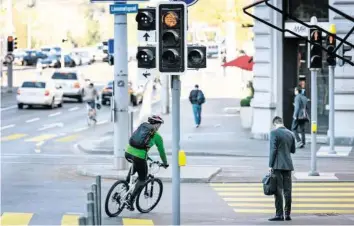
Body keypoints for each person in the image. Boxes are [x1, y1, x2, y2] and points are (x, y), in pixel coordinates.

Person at [124, 115, 169, 210]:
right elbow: (162, 151)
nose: (159, 127)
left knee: (135, 167)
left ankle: (123, 188)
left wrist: (147, 157)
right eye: (159, 125)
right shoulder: (157, 136)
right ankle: (130, 201)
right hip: (139, 157)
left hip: (128, 152)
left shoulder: (142, 128)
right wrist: (165, 163)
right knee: (142, 179)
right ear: (156, 125)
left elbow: (138, 143)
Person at [268, 116, 296, 222]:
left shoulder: (274, 133)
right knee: (288, 190)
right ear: (282, 122)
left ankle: (279, 215)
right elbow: (293, 150)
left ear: (275, 123)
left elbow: (273, 150)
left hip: (277, 165)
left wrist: (270, 165)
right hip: (288, 165)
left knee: (278, 190)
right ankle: (287, 214)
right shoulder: (290, 133)